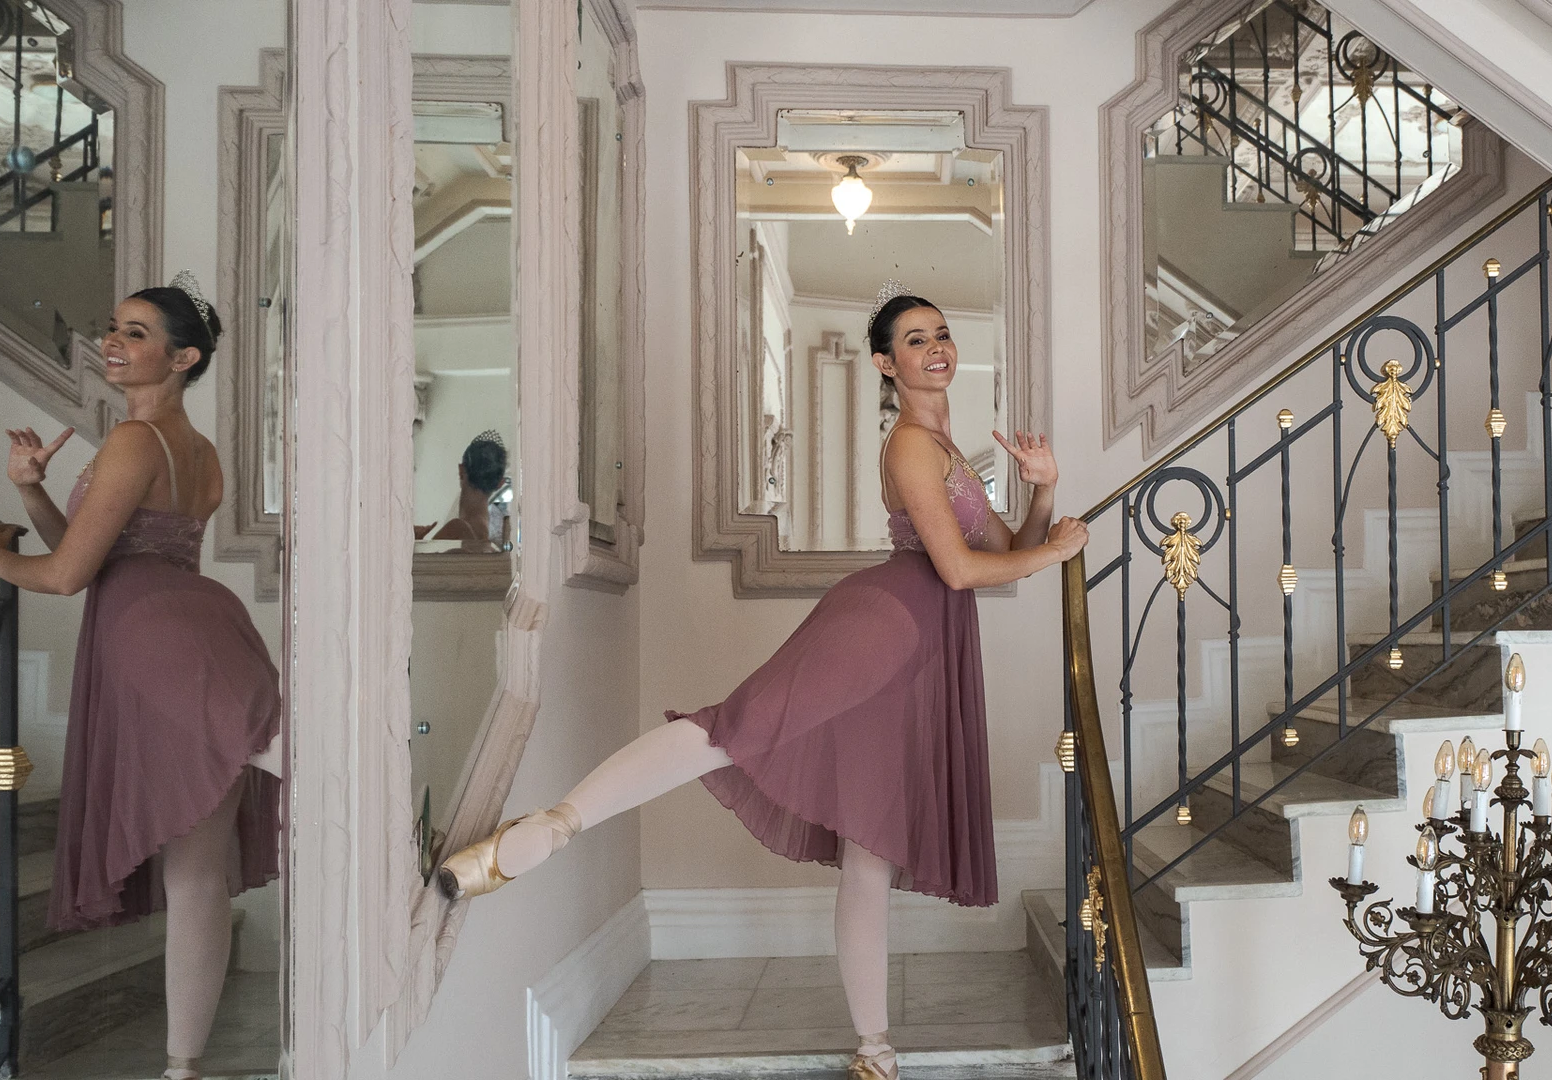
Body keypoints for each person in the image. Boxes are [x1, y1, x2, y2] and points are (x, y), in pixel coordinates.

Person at [439, 284, 1088, 1080]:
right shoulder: (912, 448)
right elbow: (960, 569)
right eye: (915, 340)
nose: (936, 348)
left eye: (943, 334)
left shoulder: (950, 453)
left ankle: (873, 1050)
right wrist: (1052, 553)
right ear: (886, 363)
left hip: (926, 642)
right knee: (737, 730)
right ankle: (549, 829)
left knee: (869, 848)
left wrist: (1045, 487)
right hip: (890, 621)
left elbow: (1004, 546)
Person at [0, 271, 282, 1080]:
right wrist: (33, 492)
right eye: (114, 327)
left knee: (195, 874)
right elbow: (98, 548)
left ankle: (187, 1064)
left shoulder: (133, 443)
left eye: (137, 333)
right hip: (202, 631)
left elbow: (72, 574)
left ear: (183, 358)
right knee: (198, 874)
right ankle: (183, 1067)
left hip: (153, 646)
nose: (111, 342)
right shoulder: (199, 452)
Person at [415, 430, 510, 553]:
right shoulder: (494, 546)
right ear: (500, 484)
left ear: (461, 471)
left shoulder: (457, 530)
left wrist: (413, 544)